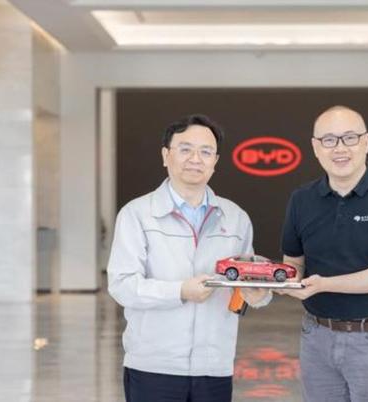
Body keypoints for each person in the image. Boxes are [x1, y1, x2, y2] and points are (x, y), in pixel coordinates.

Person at [107, 114, 270, 402]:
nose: (196, 159)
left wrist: (257, 295)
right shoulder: (137, 214)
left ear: (215, 161)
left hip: (214, 366)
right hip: (154, 367)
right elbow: (122, 286)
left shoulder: (235, 217)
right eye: (185, 149)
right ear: (165, 155)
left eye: (206, 152)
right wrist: (180, 291)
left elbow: (243, 285)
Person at [279, 105, 368, 402]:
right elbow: (294, 264)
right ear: (316, 148)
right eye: (329, 140)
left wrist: (324, 284)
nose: (340, 148)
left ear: (366, 142)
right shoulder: (301, 200)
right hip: (317, 338)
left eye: (350, 138)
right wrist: (272, 281)